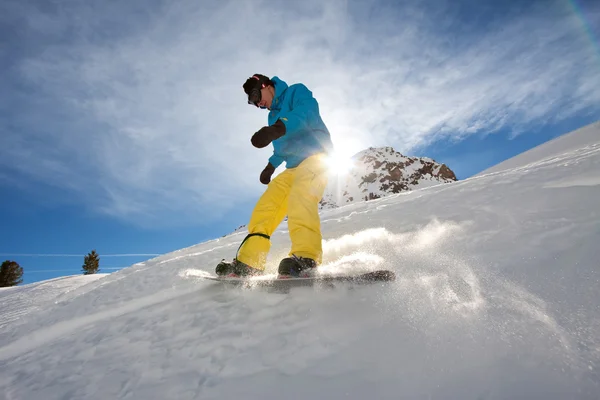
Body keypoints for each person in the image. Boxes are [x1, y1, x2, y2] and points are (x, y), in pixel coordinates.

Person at [215, 74, 333, 278]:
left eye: (255, 96)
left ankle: (307, 258)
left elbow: (307, 113)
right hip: (293, 166)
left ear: (265, 84)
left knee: (301, 197)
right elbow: (282, 148)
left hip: (318, 157)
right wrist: (271, 165)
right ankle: (249, 263)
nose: (258, 103)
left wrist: (279, 127)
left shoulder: (296, 91)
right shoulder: (272, 116)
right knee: (266, 208)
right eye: (253, 103)